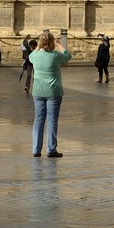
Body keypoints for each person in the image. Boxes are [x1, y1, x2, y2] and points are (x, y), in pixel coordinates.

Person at [28, 28, 73, 157]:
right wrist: (59, 44)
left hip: (38, 91)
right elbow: (67, 55)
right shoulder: (55, 56)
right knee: (52, 120)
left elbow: (32, 55)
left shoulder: (34, 56)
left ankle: (36, 149)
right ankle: (51, 149)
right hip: (54, 92)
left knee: (38, 119)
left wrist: (38, 47)